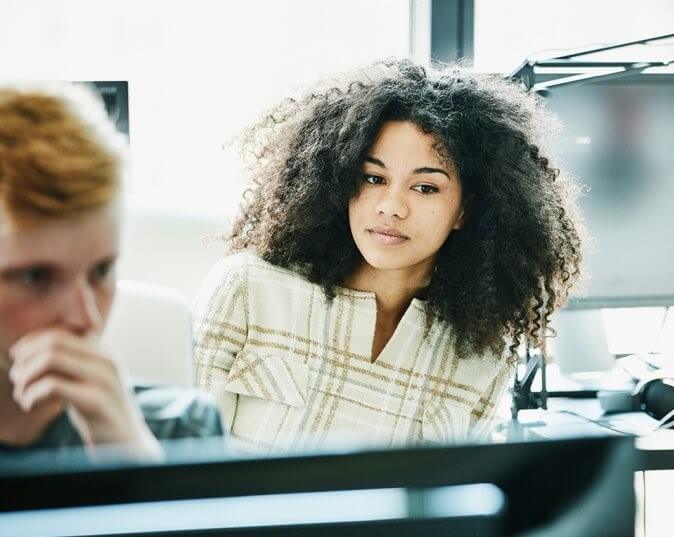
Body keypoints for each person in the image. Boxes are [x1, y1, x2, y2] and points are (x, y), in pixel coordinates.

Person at [192, 59, 584, 454]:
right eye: (374, 178)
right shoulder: (248, 290)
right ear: (342, 180)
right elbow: (181, 471)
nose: (391, 207)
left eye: (426, 187)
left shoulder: (482, 353)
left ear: (465, 210)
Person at [0, 83, 223, 458]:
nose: (84, 318)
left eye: (101, 271)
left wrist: (132, 460)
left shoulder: (183, 432)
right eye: (35, 277)